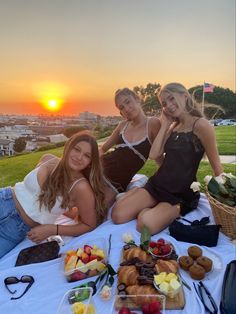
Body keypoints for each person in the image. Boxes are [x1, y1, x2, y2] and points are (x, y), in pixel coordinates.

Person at [112, 82, 223, 234]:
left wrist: (225, 198)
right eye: (164, 103)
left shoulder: (201, 125)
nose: (169, 105)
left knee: (144, 226)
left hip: (180, 194)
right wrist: (165, 125)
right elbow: (154, 155)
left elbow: (217, 168)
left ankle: (147, 208)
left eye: (171, 99)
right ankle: (142, 198)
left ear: (185, 96)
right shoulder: (172, 127)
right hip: (158, 184)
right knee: (117, 215)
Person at [0, 131, 106, 258]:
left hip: (15, 228)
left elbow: (89, 225)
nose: (79, 157)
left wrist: (52, 229)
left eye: (87, 155)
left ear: (90, 162)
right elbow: (35, 196)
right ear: (68, 147)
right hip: (4, 198)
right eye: (76, 149)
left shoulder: (81, 187)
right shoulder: (48, 159)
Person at [99, 88, 161, 207]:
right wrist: (89, 161)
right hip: (99, 169)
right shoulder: (122, 125)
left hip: (116, 183)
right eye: (121, 107)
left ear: (137, 99)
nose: (126, 109)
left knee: (97, 212)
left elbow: (159, 158)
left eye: (128, 102)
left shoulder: (153, 124)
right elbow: (103, 149)